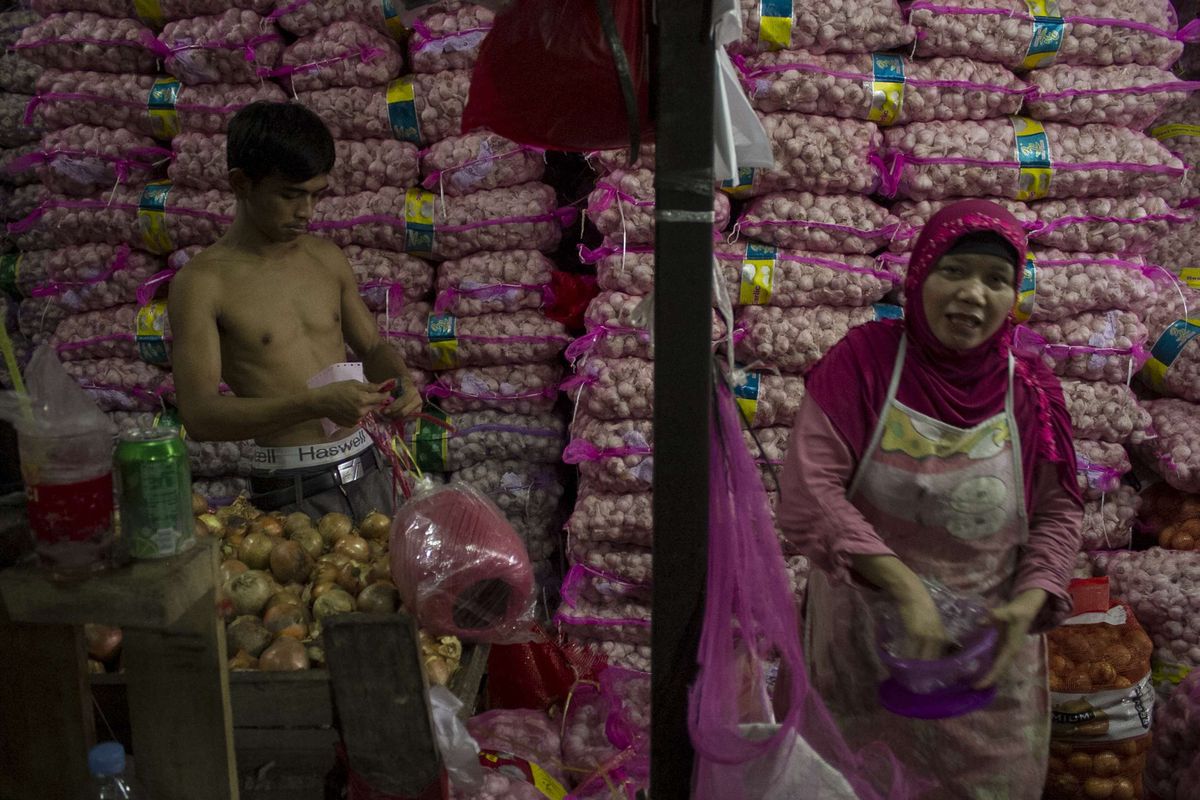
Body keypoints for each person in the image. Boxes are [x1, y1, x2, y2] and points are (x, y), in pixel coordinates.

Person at [778, 200, 1083, 798]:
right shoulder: (863, 364)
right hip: (862, 652)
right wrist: (903, 586)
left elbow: (1057, 510)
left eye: (997, 280)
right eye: (955, 271)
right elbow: (810, 492)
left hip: (987, 660)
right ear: (919, 276)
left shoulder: (1031, 391)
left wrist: (1032, 598)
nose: (974, 294)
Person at [169, 102, 423, 517]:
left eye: (315, 195)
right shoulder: (202, 284)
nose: (306, 212)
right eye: (290, 195)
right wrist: (314, 404)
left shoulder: (326, 258)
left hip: (374, 466)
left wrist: (400, 381)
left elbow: (373, 345)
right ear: (241, 184)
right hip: (292, 491)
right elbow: (200, 415)